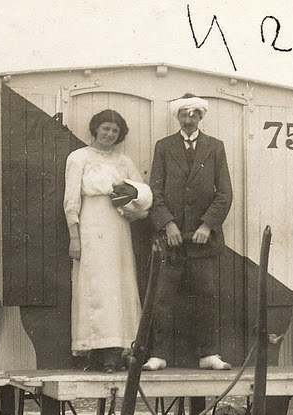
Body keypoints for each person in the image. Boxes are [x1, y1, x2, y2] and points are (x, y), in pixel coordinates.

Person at [144, 94, 234, 371]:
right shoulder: (164, 146)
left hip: (202, 240)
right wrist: (167, 223)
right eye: (184, 114)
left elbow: (225, 193)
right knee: (163, 297)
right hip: (171, 239)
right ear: (177, 117)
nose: (189, 119)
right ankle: (158, 354)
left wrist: (207, 225)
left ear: (201, 117)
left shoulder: (215, 147)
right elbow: (154, 191)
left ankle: (208, 354)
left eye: (194, 114)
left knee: (206, 296)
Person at [65, 109, 152, 372]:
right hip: (91, 226)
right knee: (94, 286)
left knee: (119, 285)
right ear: (95, 129)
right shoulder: (79, 157)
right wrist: (74, 237)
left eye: (115, 131)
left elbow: (143, 196)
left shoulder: (124, 161)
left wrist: (133, 209)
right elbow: (71, 199)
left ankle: (119, 349)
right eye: (105, 129)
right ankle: (95, 350)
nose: (110, 134)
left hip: (117, 229)